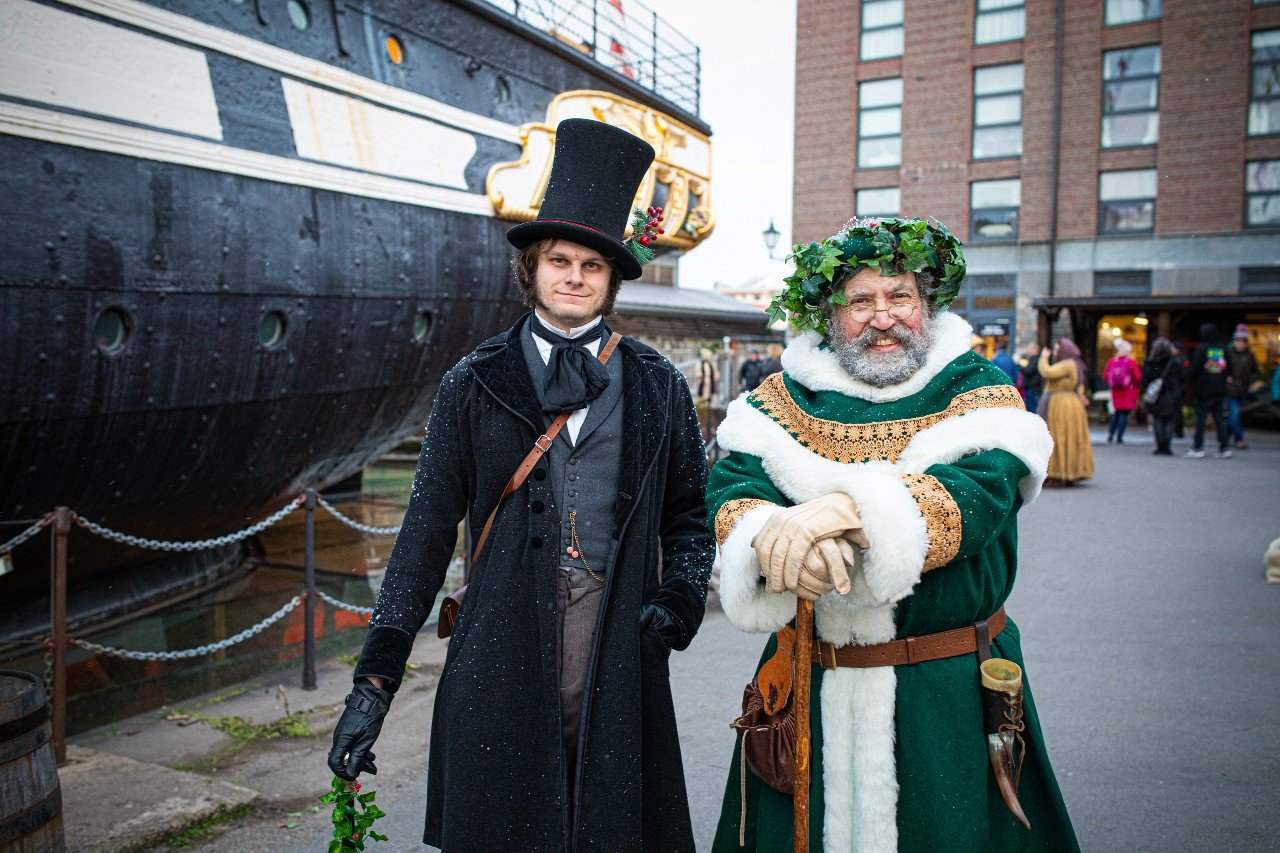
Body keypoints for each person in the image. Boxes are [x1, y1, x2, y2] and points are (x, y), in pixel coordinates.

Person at [326, 119, 714, 852]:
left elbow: (692, 514)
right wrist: (372, 683)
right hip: (497, 657)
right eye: (559, 259)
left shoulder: (659, 385)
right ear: (531, 268)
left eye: (592, 265)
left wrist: (678, 601)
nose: (574, 275)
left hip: (619, 655)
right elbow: (423, 533)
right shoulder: (472, 382)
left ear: (612, 278)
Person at [707, 216, 1078, 851]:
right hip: (808, 681)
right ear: (829, 314)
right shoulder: (777, 401)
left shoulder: (978, 389)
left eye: (899, 295)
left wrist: (842, 516)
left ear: (925, 304)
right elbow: (736, 488)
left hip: (947, 689)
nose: (883, 317)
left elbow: (982, 489)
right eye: (860, 300)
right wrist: (775, 541)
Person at [1038, 338, 1095, 485]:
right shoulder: (1076, 364)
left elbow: (1047, 372)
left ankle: (1059, 474)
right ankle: (1070, 472)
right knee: (1069, 438)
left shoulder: (1068, 364)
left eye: (1057, 349)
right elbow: (1080, 386)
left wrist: (1044, 356)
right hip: (1071, 403)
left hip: (1062, 404)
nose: (1055, 352)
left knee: (1059, 437)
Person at [1186, 323, 1232, 459]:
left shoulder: (1201, 349)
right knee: (1219, 419)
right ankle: (1224, 447)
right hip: (1220, 389)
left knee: (1200, 420)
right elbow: (1229, 369)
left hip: (1203, 389)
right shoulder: (1223, 349)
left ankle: (1198, 447)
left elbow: (1194, 369)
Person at [1141, 337, 1184, 456]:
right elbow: (1180, 378)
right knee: (1169, 420)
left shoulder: (1151, 362)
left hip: (1156, 394)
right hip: (1170, 393)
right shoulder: (1173, 361)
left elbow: (1145, 379)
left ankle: (1160, 445)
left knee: (1158, 419)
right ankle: (1167, 446)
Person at [1225, 324, 1258, 449]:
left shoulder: (1249, 355)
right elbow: (1221, 367)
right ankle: (1239, 439)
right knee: (1234, 416)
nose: (1240, 343)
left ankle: (1224, 438)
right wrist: (1227, 378)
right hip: (1229, 389)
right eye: (1238, 340)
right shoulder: (1228, 352)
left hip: (1242, 389)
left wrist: (1248, 381)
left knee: (1233, 416)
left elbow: (1255, 372)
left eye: (1243, 341)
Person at [1103, 338, 1141, 443]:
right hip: (1127, 391)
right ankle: (1119, 437)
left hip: (1115, 392)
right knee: (1124, 414)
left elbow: (1105, 377)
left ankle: (1111, 434)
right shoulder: (1131, 362)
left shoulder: (1112, 361)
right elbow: (1137, 377)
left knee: (1116, 413)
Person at [1019, 343, 1043, 415]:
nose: (1028, 351)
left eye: (1030, 349)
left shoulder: (1036, 359)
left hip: (1032, 388)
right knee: (1031, 408)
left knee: (1032, 409)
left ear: (1034, 350)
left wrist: (1020, 366)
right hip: (1031, 387)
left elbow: (1029, 371)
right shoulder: (1034, 359)